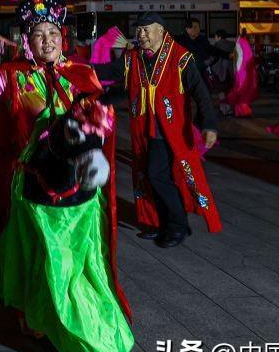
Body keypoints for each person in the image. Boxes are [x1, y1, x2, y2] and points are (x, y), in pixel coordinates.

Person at [0, 0, 132, 352]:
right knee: (43, 260)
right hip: (33, 192)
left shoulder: (83, 75)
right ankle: (45, 319)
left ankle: (84, 323)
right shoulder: (11, 76)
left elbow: (103, 123)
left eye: (53, 33)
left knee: (81, 263)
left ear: (63, 37)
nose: (48, 41)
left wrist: (98, 121)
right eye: (39, 34)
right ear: (27, 40)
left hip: (81, 195)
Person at [93, 13, 222, 248]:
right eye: (138, 30)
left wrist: (209, 125)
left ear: (161, 31)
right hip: (144, 129)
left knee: (157, 174)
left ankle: (179, 225)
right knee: (149, 175)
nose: (140, 34)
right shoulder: (134, 56)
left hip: (171, 130)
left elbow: (200, 92)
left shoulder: (180, 57)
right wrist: (75, 68)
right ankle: (160, 222)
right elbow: (110, 73)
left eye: (146, 29)